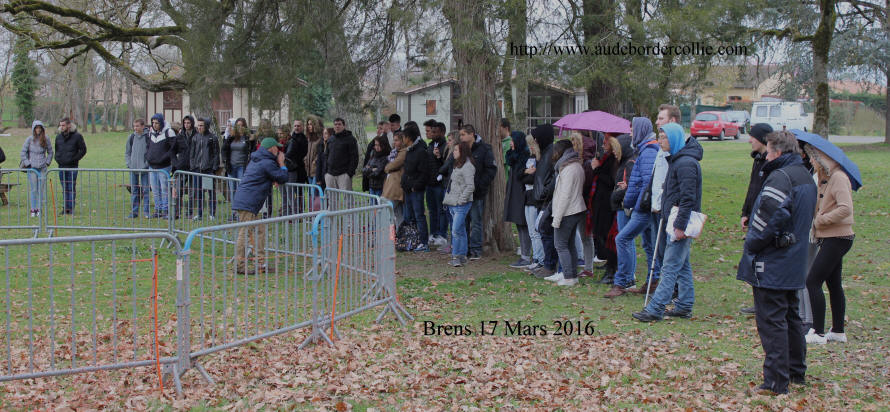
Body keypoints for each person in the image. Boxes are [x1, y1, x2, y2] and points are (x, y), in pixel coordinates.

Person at [736, 131, 816, 395]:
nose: (765, 156)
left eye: (768, 152)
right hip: (794, 260)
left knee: (772, 321)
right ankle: (795, 372)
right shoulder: (805, 175)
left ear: (778, 153)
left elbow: (767, 220)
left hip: (774, 261)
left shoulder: (780, 177)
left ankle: (775, 381)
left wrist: (753, 244)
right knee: (791, 317)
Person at [633, 122, 702, 322]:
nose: (660, 141)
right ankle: (685, 304)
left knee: (670, 265)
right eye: (660, 137)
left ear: (674, 139)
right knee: (682, 264)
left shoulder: (686, 163)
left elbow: (688, 198)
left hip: (679, 221)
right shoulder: (676, 160)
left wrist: (680, 225)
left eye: (664, 137)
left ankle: (656, 307)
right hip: (672, 218)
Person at [803, 144, 855, 345]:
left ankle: (817, 331)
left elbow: (845, 209)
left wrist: (820, 220)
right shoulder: (825, 179)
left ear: (822, 159)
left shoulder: (838, 178)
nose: (810, 161)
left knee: (812, 281)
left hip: (838, 237)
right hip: (830, 237)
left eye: (813, 158)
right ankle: (838, 331)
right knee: (833, 283)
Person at [609, 117, 660, 297]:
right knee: (648, 245)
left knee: (622, 239)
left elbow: (647, 184)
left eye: (632, 131)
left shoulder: (647, 152)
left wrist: (635, 201)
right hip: (642, 206)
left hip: (644, 208)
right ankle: (652, 281)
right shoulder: (643, 150)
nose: (630, 134)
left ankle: (622, 281)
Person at [232, 137, 289, 274]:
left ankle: (260, 264)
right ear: (272, 149)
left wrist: (272, 178)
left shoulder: (257, 159)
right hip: (249, 202)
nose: (279, 150)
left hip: (247, 200)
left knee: (259, 230)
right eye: (277, 148)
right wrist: (282, 163)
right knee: (245, 232)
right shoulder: (267, 162)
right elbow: (283, 177)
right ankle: (239, 266)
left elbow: (269, 176)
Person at [737, 123, 774, 313]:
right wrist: (745, 212)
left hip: (765, 218)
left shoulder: (771, 163)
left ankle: (765, 302)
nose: (750, 140)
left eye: (752, 137)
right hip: (753, 216)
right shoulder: (757, 160)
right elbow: (752, 189)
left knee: (763, 260)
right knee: (752, 259)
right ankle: (758, 301)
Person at [544, 139, 587, 287]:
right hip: (576, 209)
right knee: (569, 244)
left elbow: (565, 195)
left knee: (560, 244)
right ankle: (572, 275)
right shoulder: (576, 166)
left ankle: (569, 276)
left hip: (568, 211)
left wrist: (557, 218)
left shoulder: (568, 169)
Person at [586, 135, 620, 284]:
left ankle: (612, 269)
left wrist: (597, 169)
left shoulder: (614, 160)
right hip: (600, 202)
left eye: (606, 141)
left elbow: (610, 181)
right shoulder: (606, 158)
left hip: (607, 204)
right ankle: (609, 264)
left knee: (608, 236)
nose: (603, 144)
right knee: (601, 234)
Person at [460, 124, 497, 260]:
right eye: (461, 135)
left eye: (463, 134)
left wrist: (480, 186)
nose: (461, 137)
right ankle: (464, 248)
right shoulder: (461, 148)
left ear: (472, 134)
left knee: (475, 221)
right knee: (463, 221)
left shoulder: (484, 149)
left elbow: (491, 169)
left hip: (476, 193)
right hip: (462, 193)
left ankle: (476, 249)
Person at [529, 124, 559, 278]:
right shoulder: (544, 154)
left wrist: (545, 193)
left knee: (546, 230)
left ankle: (550, 265)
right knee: (544, 230)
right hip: (543, 199)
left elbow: (554, 178)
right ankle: (547, 263)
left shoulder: (551, 154)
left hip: (548, 200)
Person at [503, 119, 531, 268]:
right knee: (518, 224)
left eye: (513, 141)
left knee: (524, 223)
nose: (511, 143)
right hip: (514, 191)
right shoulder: (512, 156)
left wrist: (524, 171)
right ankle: (524, 254)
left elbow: (524, 174)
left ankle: (527, 256)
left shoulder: (525, 156)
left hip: (522, 193)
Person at [443, 141, 476, 267]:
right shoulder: (458, 165)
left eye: (456, 150)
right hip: (453, 202)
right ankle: (462, 255)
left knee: (456, 230)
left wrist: (461, 200)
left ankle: (456, 256)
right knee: (460, 230)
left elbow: (470, 186)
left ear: (462, 152)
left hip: (461, 203)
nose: (454, 152)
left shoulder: (468, 166)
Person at [400, 122, 431, 252]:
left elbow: (424, 172)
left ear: (409, 137)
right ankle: (413, 239)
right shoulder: (410, 150)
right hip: (408, 188)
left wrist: (415, 186)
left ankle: (424, 242)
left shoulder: (420, 151)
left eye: (404, 137)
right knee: (410, 216)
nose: (402, 140)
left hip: (416, 190)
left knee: (419, 215)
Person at [146, 113, 177, 218]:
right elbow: (148, 147)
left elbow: (173, 149)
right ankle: (158, 209)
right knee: (155, 190)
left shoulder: (169, 132)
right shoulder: (150, 133)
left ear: (161, 123)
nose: (154, 125)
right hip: (152, 165)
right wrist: (148, 157)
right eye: (153, 123)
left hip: (164, 166)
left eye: (157, 123)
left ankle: (165, 210)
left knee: (165, 190)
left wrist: (165, 158)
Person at [189, 118, 221, 220]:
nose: (199, 127)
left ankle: (212, 213)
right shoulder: (195, 138)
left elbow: (216, 153)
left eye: (201, 125)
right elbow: (192, 154)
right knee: (198, 192)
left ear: (206, 126)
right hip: (197, 169)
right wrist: (193, 166)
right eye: (198, 125)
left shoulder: (213, 138)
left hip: (208, 169)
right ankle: (199, 213)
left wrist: (214, 167)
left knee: (210, 192)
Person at [521, 134, 544, 270]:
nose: (530, 147)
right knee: (531, 230)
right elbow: (521, 176)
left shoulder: (540, 160)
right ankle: (536, 257)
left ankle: (539, 258)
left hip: (534, 197)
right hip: (527, 196)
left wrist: (527, 175)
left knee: (535, 231)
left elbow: (532, 179)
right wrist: (526, 172)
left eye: (532, 144)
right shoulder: (529, 158)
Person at [54, 118, 87, 215]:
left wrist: (74, 159)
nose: (61, 127)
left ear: (69, 125)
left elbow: (83, 150)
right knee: (64, 188)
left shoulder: (77, 136)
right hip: (61, 166)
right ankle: (66, 208)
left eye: (63, 125)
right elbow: (57, 150)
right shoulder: (58, 137)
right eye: (60, 125)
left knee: (71, 187)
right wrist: (58, 158)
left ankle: (71, 209)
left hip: (72, 167)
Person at [20, 120, 53, 217]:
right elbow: (23, 153)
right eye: (36, 128)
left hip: (42, 167)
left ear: (42, 129)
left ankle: (39, 208)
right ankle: (33, 209)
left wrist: (47, 162)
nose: (38, 130)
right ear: (33, 129)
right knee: (34, 189)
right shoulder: (29, 139)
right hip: (32, 168)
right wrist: (27, 163)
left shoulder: (46, 139)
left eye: (40, 128)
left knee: (41, 189)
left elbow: (50, 152)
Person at [426, 121, 449, 247]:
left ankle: (442, 234)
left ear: (442, 133)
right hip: (430, 183)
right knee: (432, 210)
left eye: (435, 132)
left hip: (440, 184)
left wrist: (439, 157)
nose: (432, 134)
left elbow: (447, 165)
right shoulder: (430, 146)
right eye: (431, 132)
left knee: (441, 210)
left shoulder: (445, 146)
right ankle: (433, 233)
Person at [324, 118, 359, 190]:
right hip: (330, 174)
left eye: (339, 124)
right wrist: (326, 172)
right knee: (332, 198)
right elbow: (326, 155)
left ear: (344, 126)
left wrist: (349, 173)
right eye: (335, 124)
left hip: (344, 174)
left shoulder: (350, 139)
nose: (337, 126)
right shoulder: (331, 139)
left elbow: (354, 157)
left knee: (347, 198)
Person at [170, 115, 194, 219]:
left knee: (192, 192)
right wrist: (176, 163)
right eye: (185, 123)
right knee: (178, 191)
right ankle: (176, 212)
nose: (187, 125)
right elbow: (172, 151)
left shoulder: (196, 135)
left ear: (192, 123)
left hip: (193, 168)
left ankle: (190, 212)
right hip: (181, 168)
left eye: (188, 123)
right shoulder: (179, 137)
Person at [125, 119, 150, 218]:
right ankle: (134, 212)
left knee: (146, 190)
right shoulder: (131, 137)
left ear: (143, 126)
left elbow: (150, 152)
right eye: (134, 126)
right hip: (133, 168)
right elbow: (127, 152)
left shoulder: (148, 137)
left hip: (145, 169)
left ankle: (146, 212)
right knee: (134, 191)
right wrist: (129, 164)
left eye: (137, 126)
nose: (135, 128)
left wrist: (146, 165)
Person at [383, 131, 408, 226]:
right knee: (398, 213)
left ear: (403, 141)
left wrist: (387, 167)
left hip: (396, 188)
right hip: (391, 186)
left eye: (397, 140)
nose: (394, 143)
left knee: (388, 211)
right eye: (394, 140)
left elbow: (390, 166)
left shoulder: (403, 152)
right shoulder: (395, 152)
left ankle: (392, 235)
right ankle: (398, 234)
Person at [284, 119, 309, 212]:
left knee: (299, 192)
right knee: (290, 191)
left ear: (302, 127)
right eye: (295, 126)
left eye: (298, 126)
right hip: (290, 168)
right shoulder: (290, 138)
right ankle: (291, 210)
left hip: (300, 168)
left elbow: (302, 154)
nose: (297, 128)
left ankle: (300, 211)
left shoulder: (304, 139)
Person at [222, 123, 253, 197]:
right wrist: (225, 161)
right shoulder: (231, 137)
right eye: (238, 125)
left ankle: (241, 207)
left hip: (242, 167)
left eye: (242, 125)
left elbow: (251, 150)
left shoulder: (247, 138)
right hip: (231, 166)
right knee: (232, 190)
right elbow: (224, 149)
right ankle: (234, 208)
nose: (240, 127)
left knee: (241, 189)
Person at [363, 121, 388, 192]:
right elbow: (365, 168)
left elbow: (377, 171)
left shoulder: (385, 149)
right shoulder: (374, 140)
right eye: (377, 128)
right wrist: (371, 169)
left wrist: (369, 169)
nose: (378, 130)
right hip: (371, 182)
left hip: (380, 184)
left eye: (381, 128)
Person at [305, 118, 323, 185]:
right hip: (308, 170)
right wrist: (305, 160)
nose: (309, 126)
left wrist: (315, 161)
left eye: (311, 124)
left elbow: (320, 153)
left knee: (314, 191)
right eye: (308, 124)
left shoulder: (320, 138)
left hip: (316, 170)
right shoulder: (308, 139)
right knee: (311, 192)